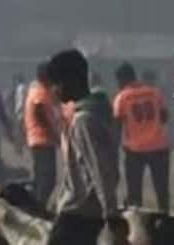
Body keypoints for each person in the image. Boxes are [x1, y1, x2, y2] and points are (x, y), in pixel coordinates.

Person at [50, 48, 119, 241]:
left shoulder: (83, 120)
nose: (53, 90)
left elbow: (99, 168)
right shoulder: (101, 111)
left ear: (68, 81)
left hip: (77, 213)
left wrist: (111, 213)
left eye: (55, 84)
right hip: (90, 213)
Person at [112, 63, 171, 212]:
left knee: (135, 192)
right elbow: (164, 117)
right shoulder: (155, 92)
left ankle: (138, 225)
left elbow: (117, 126)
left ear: (122, 80)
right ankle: (165, 219)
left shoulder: (122, 98)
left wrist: (114, 150)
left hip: (135, 149)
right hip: (159, 146)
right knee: (162, 190)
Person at [23, 60, 61, 207]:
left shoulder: (42, 90)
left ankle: (35, 205)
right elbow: (40, 112)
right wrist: (54, 133)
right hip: (42, 139)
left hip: (41, 139)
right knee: (47, 179)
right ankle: (38, 206)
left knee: (41, 179)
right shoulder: (39, 92)